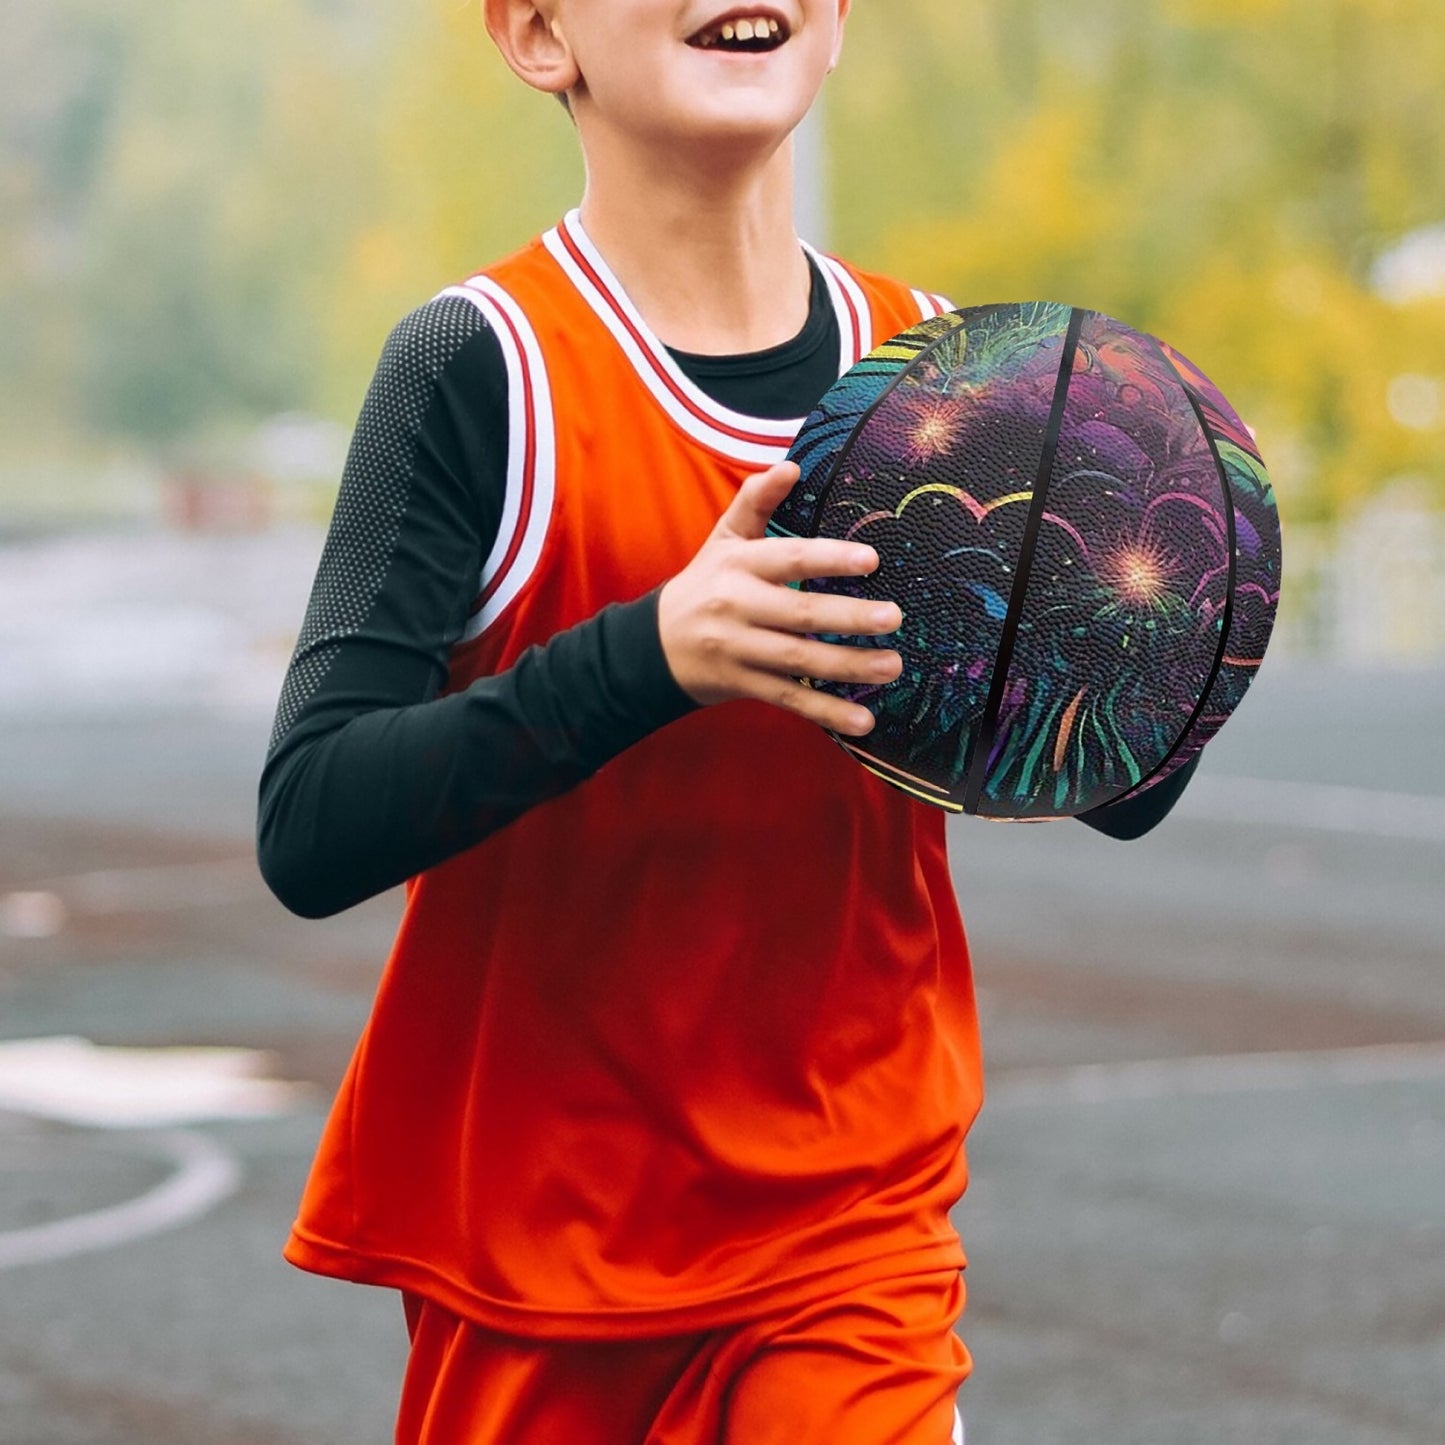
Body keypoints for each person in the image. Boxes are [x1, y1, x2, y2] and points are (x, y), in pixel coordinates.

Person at [257, 2, 1196, 1440]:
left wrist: (1149, 640)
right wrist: (650, 654)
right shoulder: (479, 367)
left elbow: (1117, 786)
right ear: (534, 35)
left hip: (849, 1219)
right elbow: (311, 821)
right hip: (540, 1239)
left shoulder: (949, 382)